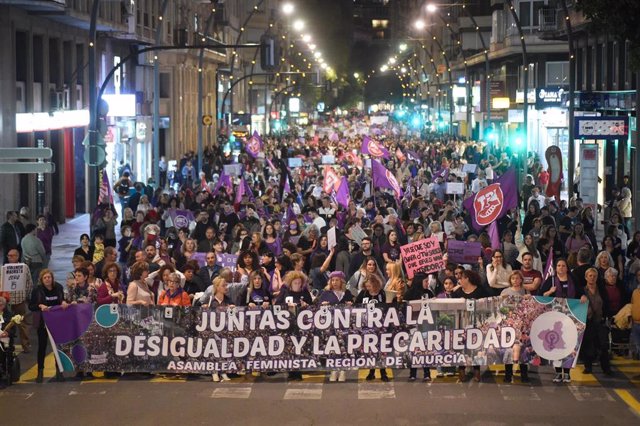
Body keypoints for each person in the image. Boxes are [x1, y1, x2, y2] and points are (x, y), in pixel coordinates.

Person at [540, 258, 581, 383]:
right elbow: (541, 295)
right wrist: (549, 291)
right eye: (559, 265)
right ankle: (558, 372)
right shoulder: (550, 281)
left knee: (568, 344)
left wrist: (583, 296)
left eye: (563, 266)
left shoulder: (573, 279)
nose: (561, 268)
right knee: (556, 345)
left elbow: (581, 293)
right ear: (556, 268)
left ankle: (567, 373)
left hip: (570, 316)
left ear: (567, 268)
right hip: (555, 318)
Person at [28, 269, 67, 383]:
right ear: (41, 280)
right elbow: (31, 306)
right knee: (42, 347)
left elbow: (62, 300)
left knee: (58, 347)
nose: (47, 279)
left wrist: (64, 302)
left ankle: (59, 371)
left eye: (49, 277)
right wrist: (40, 305)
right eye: (45, 278)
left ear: (52, 278)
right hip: (43, 322)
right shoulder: (37, 290)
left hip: (57, 322)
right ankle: (40, 372)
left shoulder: (58, 287)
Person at [452, 270, 488, 382]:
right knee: (462, 347)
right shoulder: (457, 292)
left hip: (476, 324)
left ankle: (476, 369)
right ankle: (461, 369)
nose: (459, 281)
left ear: (467, 278)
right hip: (461, 324)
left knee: (475, 347)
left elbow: (488, 304)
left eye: (461, 278)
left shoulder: (481, 290)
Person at [580, 268, 613, 376]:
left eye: (594, 276)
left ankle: (606, 368)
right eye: (590, 275)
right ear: (585, 277)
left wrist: (607, 317)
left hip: (600, 321)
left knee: (604, 345)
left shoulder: (601, 290)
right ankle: (588, 367)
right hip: (588, 322)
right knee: (588, 345)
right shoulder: (582, 291)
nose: (592, 278)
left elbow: (607, 304)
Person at [0, 248, 33, 352]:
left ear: (18, 256)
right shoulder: (3, 268)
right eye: (8, 256)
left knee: (23, 324)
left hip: (19, 301)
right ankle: (9, 345)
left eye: (12, 255)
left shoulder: (24, 268)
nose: (9, 257)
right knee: (6, 324)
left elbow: (29, 283)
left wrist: (24, 296)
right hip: (6, 302)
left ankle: (26, 345)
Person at [404, 273, 435, 382]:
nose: (428, 283)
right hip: (413, 325)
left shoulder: (429, 293)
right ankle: (413, 373)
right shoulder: (409, 293)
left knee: (425, 349)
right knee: (413, 349)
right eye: (426, 281)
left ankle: (427, 373)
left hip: (426, 325)